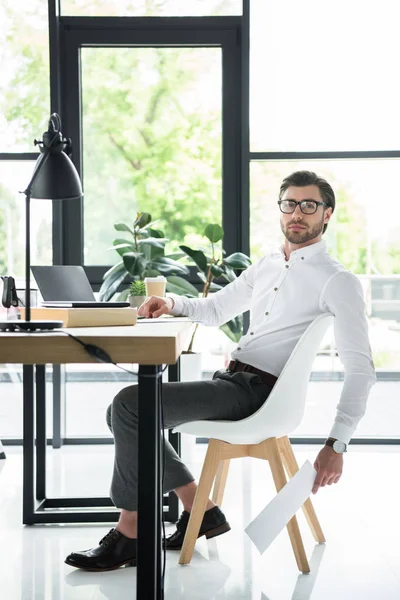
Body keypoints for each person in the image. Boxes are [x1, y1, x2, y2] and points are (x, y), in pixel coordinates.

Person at [65, 170, 376, 572]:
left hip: (258, 393)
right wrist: (173, 303)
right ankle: (199, 505)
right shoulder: (267, 264)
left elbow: (361, 368)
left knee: (128, 405)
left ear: (327, 214)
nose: (297, 213)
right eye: (289, 204)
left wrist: (337, 444)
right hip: (231, 381)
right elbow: (216, 309)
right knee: (124, 410)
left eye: (309, 205)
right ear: (280, 210)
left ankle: (132, 531)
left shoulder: (338, 280)